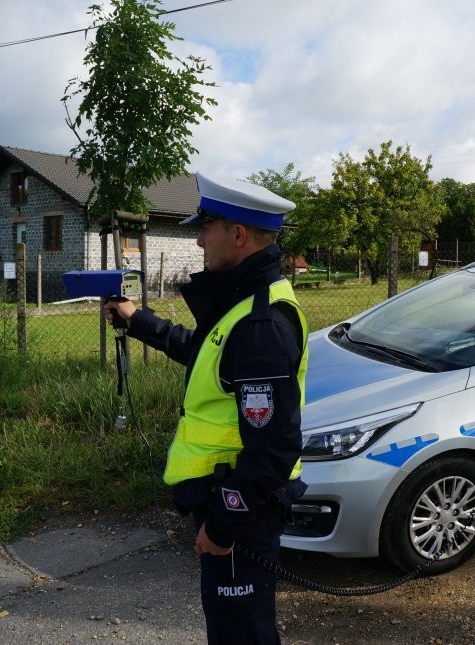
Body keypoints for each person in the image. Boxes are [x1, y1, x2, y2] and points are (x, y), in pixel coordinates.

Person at [104, 172, 308, 644]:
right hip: (231, 503)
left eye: (206, 227)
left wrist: (221, 526)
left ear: (237, 235)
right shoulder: (240, 306)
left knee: (241, 635)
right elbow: (204, 353)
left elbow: (274, 449)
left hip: (240, 510)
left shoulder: (260, 323)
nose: (198, 239)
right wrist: (140, 322)